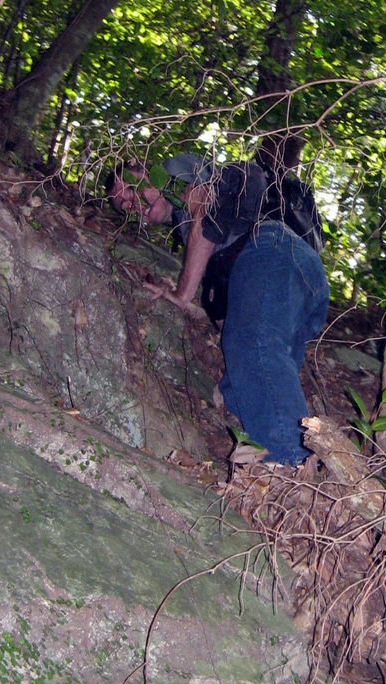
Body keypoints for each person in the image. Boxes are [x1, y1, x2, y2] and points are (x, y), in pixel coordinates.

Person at [106, 146, 329, 467]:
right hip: (300, 277)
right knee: (245, 385)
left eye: (129, 189)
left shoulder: (174, 169)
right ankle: (288, 466)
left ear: (145, 171)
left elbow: (205, 216)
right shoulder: (184, 226)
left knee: (255, 347)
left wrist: (182, 294)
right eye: (123, 206)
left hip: (272, 248)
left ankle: (292, 468)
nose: (130, 204)